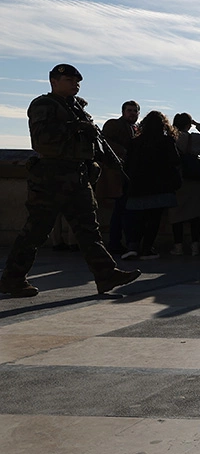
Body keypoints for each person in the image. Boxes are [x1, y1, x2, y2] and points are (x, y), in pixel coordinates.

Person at [0, 64, 140, 297]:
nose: (75, 84)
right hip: (51, 176)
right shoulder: (44, 105)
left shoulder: (76, 107)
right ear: (54, 81)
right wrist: (75, 128)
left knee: (88, 230)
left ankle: (106, 274)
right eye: (69, 79)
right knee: (36, 230)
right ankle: (12, 278)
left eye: (77, 81)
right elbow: (42, 140)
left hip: (77, 175)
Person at [123, 110, 182, 261]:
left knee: (137, 218)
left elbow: (127, 164)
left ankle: (133, 246)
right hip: (160, 186)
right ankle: (147, 248)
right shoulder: (166, 141)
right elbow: (174, 161)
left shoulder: (135, 142)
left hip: (137, 186)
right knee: (154, 219)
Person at [98, 100, 139, 254]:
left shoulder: (135, 128)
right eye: (129, 110)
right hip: (116, 174)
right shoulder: (114, 125)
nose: (132, 113)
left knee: (123, 210)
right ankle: (115, 242)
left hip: (127, 174)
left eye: (135, 111)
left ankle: (119, 242)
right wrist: (122, 152)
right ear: (123, 112)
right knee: (121, 210)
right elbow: (104, 143)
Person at [171, 113, 200, 255]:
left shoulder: (171, 138)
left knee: (177, 215)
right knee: (195, 215)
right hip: (195, 180)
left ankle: (178, 246)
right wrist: (198, 124)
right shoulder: (193, 139)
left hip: (177, 178)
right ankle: (195, 246)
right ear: (188, 125)